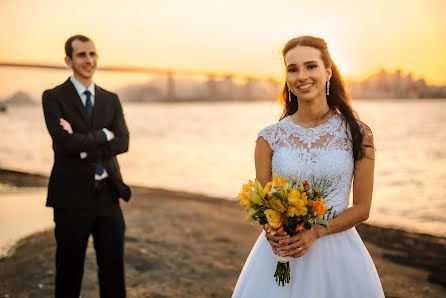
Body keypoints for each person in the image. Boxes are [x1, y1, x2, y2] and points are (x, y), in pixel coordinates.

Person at [232, 36, 385, 297]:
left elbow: (362, 208)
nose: (301, 76)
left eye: (310, 66)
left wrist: (314, 233)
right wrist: (271, 228)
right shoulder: (269, 138)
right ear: (287, 78)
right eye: (293, 69)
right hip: (282, 253)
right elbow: (262, 201)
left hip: (338, 253)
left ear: (328, 71)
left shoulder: (358, 133)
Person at [42, 34, 131, 297]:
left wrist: (82, 145)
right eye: (82, 55)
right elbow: (63, 144)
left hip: (108, 195)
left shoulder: (110, 99)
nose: (89, 60)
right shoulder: (53, 97)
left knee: (113, 271)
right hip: (70, 198)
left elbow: (124, 142)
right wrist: (105, 135)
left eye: (93, 54)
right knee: (69, 271)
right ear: (69, 60)